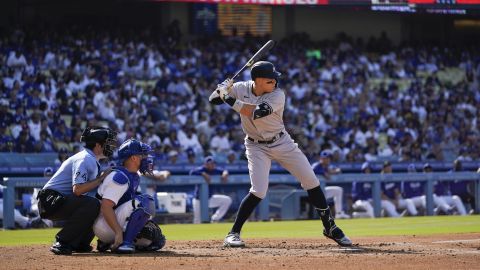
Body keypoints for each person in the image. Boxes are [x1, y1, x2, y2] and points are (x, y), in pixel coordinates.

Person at [209, 61, 351, 247]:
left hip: (281, 142)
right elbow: (213, 100)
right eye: (270, 80)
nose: (275, 82)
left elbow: (255, 112)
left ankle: (330, 227)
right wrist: (222, 88)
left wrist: (227, 97)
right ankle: (233, 233)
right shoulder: (240, 88)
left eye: (275, 79)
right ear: (257, 81)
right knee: (258, 191)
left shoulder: (278, 95)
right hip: (255, 146)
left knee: (311, 180)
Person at [37, 126, 117, 255]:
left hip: (58, 200)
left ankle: (80, 243)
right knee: (93, 204)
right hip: (50, 201)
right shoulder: (85, 158)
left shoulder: (91, 159)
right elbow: (78, 190)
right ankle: (62, 242)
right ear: (98, 145)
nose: (111, 146)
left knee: (100, 204)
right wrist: (101, 178)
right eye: (107, 143)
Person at [93, 138, 166, 253]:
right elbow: (106, 207)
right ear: (133, 158)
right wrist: (118, 232)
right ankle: (125, 244)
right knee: (146, 201)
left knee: (154, 238)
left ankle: (107, 243)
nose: (146, 158)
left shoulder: (131, 175)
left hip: (108, 223)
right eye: (143, 155)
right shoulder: (120, 176)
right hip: (104, 224)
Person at [189, 156, 232, 224]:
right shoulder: (202, 169)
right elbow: (191, 172)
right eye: (210, 163)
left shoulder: (215, 170)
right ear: (205, 164)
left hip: (209, 199)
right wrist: (203, 174)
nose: (212, 165)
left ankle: (215, 218)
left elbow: (224, 170)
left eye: (213, 163)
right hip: (198, 200)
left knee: (227, 200)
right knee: (197, 221)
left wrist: (225, 173)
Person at [312, 150, 351, 219]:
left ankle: (339, 213)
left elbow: (337, 170)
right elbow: (312, 170)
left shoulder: (327, 167)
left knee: (339, 190)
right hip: (312, 193)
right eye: (326, 158)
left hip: (322, 191)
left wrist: (332, 172)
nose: (328, 160)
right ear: (321, 158)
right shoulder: (317, 165)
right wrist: (323, 173)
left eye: (329, 158)